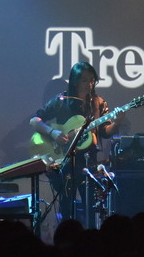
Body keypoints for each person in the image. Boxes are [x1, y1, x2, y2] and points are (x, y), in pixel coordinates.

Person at [30, 62, 122, 224]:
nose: (89, 84)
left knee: (91, 209)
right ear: (75, 81)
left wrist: (117, 122)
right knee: (66, 207)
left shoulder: (98, 103)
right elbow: (35, 120)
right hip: (66, 162)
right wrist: (53, 133)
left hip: (89, 163)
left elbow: (105, 132)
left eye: (92, 80)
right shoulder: (62, 101)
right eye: (84, 80)